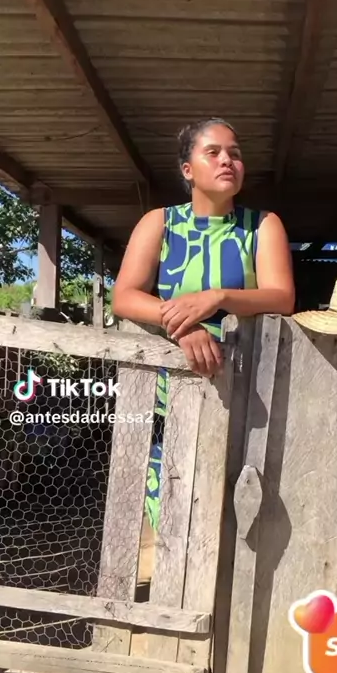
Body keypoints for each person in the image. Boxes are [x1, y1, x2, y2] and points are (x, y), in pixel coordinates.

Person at [112, 116, 295, 531]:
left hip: (246, 392)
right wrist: (182, 325)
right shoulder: (160, 223)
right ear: (188, 170)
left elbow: (281, 297)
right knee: (173, 508)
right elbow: (124, 297)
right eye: (213, 152)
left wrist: (218, 297)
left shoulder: (262, 225)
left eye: (235, 153)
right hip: (171, 393)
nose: (227, 160)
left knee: (237, 513)